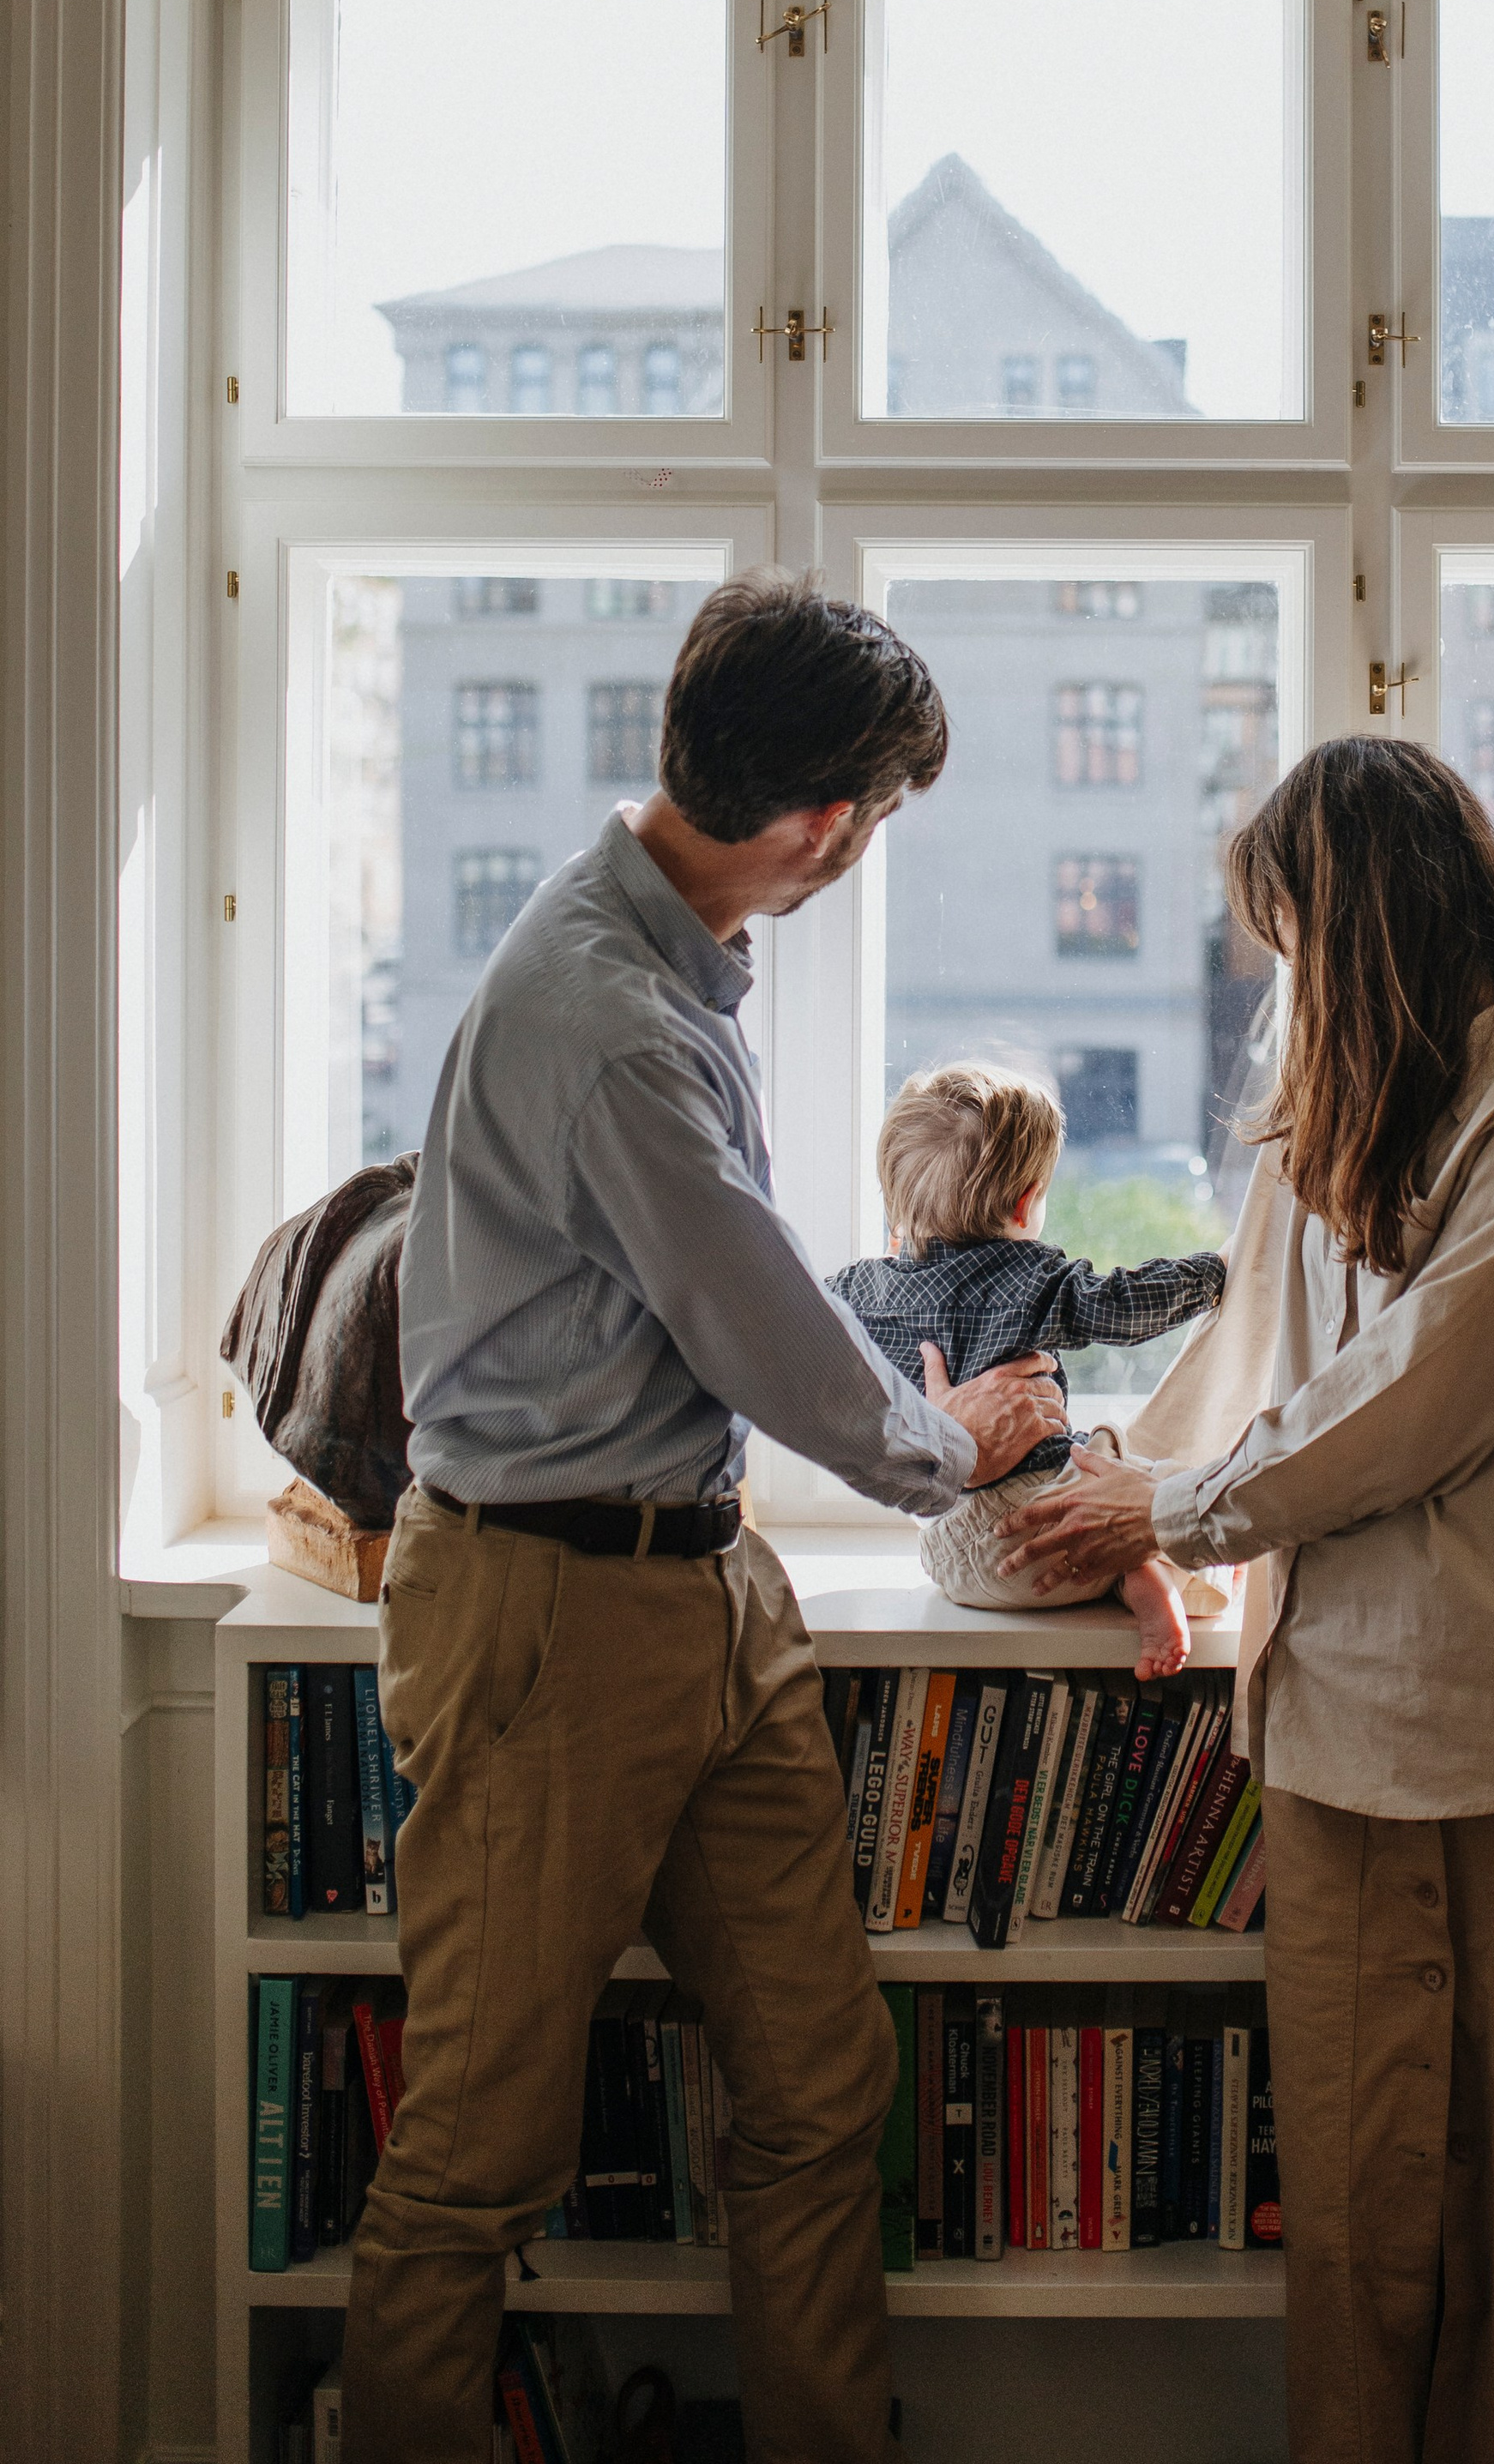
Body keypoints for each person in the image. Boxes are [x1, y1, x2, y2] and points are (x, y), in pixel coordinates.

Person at [344, 574, 1062, 2464]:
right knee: (478, 2151)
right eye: (878, 816)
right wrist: (956, 1446)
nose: (864, 848)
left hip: (699, 1585)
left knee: (823, 2088)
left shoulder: (653, 965)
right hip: (553, 1611)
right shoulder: (615, 1022)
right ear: (825, 821)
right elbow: (767, 1332)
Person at [998, 737, 1494, 2464]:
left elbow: (1414, 1399)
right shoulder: (1317, 1133)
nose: (1276, 989)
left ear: (1367, 929)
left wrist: (1167, 1498)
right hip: (1346, 1737)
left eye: (1288, 944)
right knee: (1363, 2240)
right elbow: (1238, 1384)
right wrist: (1093, 1504)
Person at [826, 1059, 1226, 1677]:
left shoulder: (859, 1289)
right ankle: (1142, 1577)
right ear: (1024, 1205)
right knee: (1133, 1466)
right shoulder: (1030, 1278)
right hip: (1054, 1531)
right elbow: (1122, 1305)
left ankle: (1137, 1576)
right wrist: (1213, 1274)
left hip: (952, 1555)